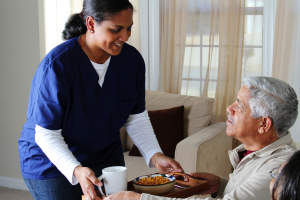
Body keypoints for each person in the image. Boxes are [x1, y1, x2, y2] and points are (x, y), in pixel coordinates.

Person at [18, 1, 183, 200]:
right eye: (116, 29)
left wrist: (155, 155)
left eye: (129, 28)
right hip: (50, 161)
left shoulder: (132, 61)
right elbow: (46, 134)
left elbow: (135, 117)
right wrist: (76, 169)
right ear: (90, 24)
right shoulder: (57, 66)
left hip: (104, 154)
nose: (125, 37)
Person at [104, 76, 298, 200]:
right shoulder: (255, 152)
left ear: (264, 124)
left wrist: (139, 199)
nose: (229, 108)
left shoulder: (280, 169)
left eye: (239, 106)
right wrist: (221, 185)